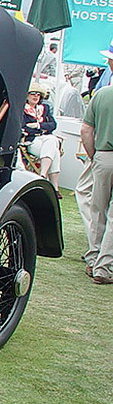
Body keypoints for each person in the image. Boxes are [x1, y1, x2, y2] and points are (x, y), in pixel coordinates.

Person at [81, 81, 113, 284]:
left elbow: (86, 130)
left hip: (103, 156)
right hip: (102, 155)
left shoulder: (101, 94)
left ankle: (93, 259)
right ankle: (105, 267)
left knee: (97, 210)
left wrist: (94, 156)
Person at [22, 81, 61, 193]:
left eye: (38, 94)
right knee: (54, 148)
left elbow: (53, 125)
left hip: (45, 140)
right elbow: (24, 127)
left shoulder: (45, 108)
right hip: (31, 141)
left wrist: (38, 125)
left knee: (51, 142)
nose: (35, 96)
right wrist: (43, 128)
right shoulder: (22, 109)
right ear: (27, 95)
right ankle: (54, 187)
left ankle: (43, 174)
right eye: (33, 93)